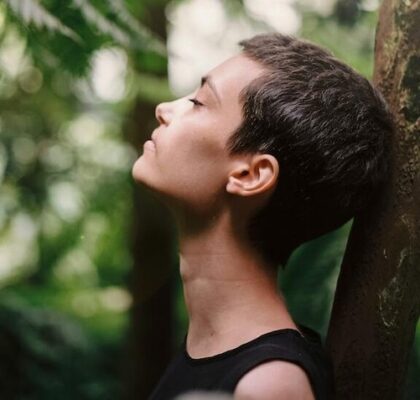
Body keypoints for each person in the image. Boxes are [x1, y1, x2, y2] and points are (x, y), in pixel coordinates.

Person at [132, 33, 393, 399]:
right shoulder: (216, 350)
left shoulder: (269, 386)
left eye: (198, 102)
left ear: (249, 175)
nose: (165, 108)